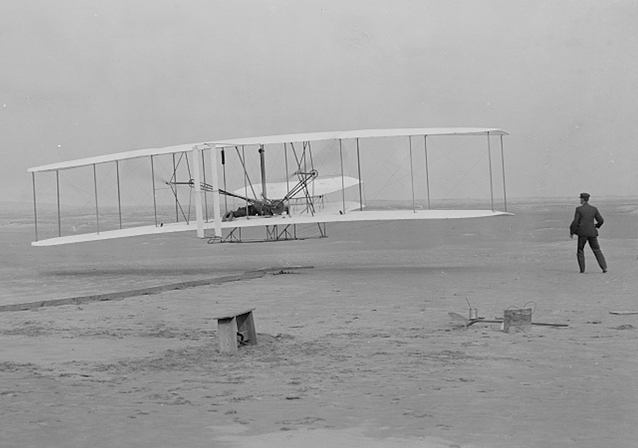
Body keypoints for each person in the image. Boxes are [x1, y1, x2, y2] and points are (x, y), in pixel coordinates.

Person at [569, 192, 607, 273]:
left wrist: (572, 231)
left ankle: (582, 270)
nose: (580, 200)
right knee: (597, 250)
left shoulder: (579, 209)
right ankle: (604, 268)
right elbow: (601, 220)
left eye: (580, 199)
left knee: (580, 250)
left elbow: (575, 222)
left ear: (582, 199)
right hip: (592, 233)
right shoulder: (594, 209)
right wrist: (596, 226)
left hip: (582, 233)